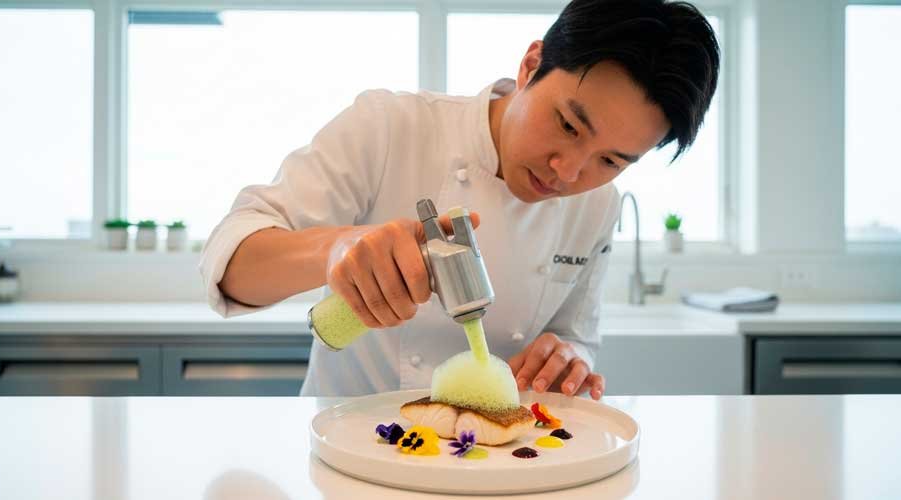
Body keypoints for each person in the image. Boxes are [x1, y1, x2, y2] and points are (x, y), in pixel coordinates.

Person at [200, 0, 720, 399]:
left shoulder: (599, 206)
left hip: (495, 466)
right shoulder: (390, 127)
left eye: (610, 161)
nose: (568, 171)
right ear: (531, 65)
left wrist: (566, 357)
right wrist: (336, 251)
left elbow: (575, 335)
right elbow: (231, 263)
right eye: (566, 124)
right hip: (348, 461)